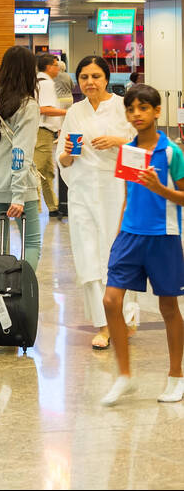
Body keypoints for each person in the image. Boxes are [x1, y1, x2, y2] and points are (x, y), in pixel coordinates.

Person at [100, 84, 184, 406]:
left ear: (156, 111)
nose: (136, 114)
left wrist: (161, 189)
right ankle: (124, 376)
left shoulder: (171, 152)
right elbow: (128, 197)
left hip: (163, 237)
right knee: (110, 301)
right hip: (129, 237)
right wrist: (121, 232)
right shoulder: (128, 151)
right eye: (131, 109)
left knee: (168, 308)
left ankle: (176, 375)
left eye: (143, 108)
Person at [58, 56, 139, 349]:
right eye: (84, 77)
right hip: (81, 192)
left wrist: (116, 141)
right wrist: (68, 152)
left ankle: (126, 318)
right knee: (88, 257)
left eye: (95, 76)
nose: (89, 82)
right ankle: (103, 325)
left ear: (106, 78)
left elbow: (141, 146)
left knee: (116, 254)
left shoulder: (122, 107)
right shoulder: (74, 112)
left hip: (115, 191)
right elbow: (63, 160)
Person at [0, 45, 42, 270]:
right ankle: (22, 293)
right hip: (18, 188)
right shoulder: (28, 106)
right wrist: (18, 195)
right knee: (32, 242)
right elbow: (21, 152)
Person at [35, 53, 67, 219]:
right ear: (48, 67)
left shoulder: (38, 81)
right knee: (38, 170)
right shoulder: (46, 83)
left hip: (44, 132)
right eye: (56, 65)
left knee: (47, 172)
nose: (58, 68)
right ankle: (33, 208)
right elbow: (44, 108)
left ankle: (53, 207)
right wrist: (68, 112)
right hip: (42, 131)